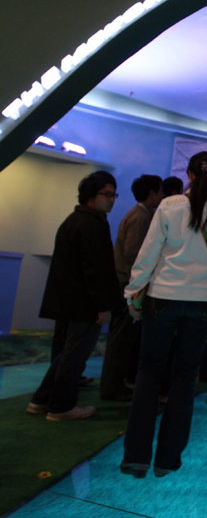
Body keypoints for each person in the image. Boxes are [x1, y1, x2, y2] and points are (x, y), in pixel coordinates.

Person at [120, 151, 207, 478]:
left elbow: (149, 253)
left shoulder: (169, 205)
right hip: (201, 302)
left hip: (162, 296)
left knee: (149, 374)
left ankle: (136, 457)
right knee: (185, 377)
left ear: (189, 175)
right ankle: (167, 460)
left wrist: (133, 291)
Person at [26, 171, 121, 421]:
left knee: (66, 354)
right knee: (74, 355)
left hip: (69, 301)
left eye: (114, 195)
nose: (111, 200)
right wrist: (103, 305)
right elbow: (95, 270)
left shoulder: (76, 220)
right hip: (83, 304)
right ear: (91, 195)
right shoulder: (92, 224)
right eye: (107, 194)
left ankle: (42, 399)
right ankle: (61, 406)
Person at [100, 174, 163, 401]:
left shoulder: (138, 214)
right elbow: (133, 254)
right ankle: (112, 387)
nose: (162, 196)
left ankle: (115, 384)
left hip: (126, 283)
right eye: (160, 191)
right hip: (128, 285)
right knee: (120, 338)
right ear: (152, 193)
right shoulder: (141, 217)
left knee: (121, 337)